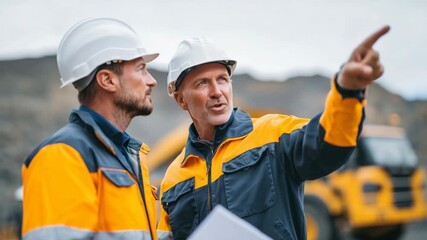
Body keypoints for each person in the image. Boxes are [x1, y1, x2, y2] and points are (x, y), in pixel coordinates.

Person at [157, 26, 390, 240]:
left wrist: (348, 91)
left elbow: (328, 143)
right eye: (202, 84)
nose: (217, 91)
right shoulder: (173, 179)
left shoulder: (273, 135)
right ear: (181, 100)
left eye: (223, 79)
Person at [22, 18, 160, 240]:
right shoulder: (62, 156)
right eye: (141, 69)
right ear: (107, 80)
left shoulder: (128, 157)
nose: (152, 81)